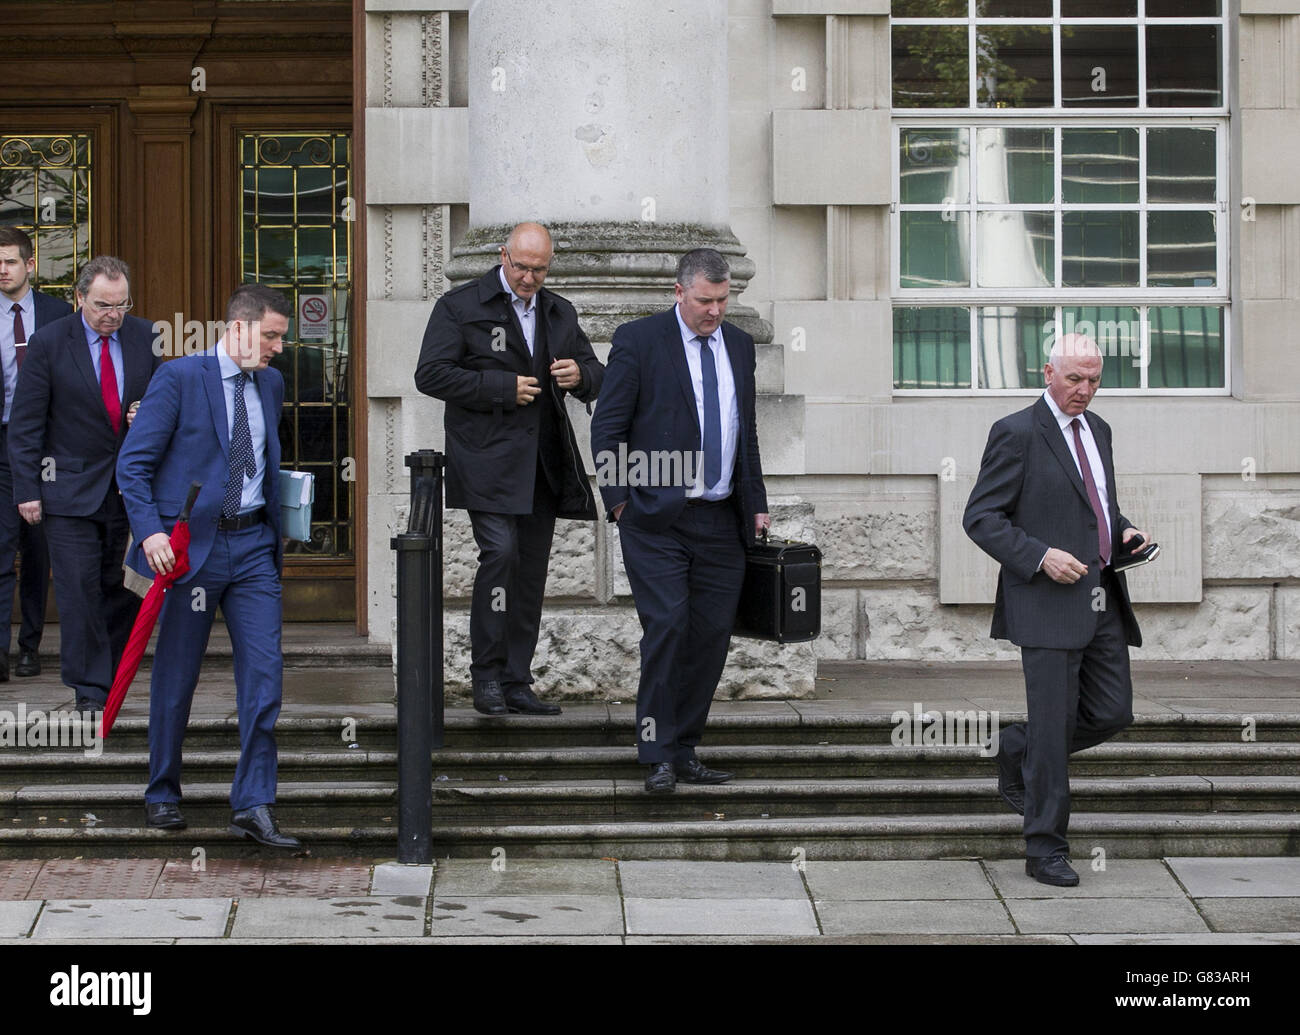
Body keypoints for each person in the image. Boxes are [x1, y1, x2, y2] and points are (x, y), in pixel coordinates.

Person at [117, 283, 300, 847]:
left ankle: (253, 803)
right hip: (189, 551)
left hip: (252, 550)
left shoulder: (270, 382)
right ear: (238, 329)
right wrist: (149, 533)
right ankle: (163, 792)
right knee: (176, 677)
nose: (276, 348)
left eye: (281, 339)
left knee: (265, 676)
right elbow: (133, 466)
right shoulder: (179, 378)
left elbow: (263, 462)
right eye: (270, 336)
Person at [963, 333, 1148, 887]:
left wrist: (1126, 531)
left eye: (1094, 380)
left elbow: (1098, 508)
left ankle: (1015, 746)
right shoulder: (1016, 432)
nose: (1085, 391)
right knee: (1053, 726)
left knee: (1112, 712)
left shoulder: (1100, 430)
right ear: (1048, 372)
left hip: (1102, 599)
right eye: (1075, 379)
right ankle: (1045, 849)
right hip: (1045, 602)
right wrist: (1039, 556)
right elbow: (982, 517)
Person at [591, 248, 770, 794]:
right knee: (667, 627)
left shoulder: (739, 346)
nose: (715, 311)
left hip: (722, 520)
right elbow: (608, 427)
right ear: (679, 292)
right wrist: (620, 503)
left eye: (723, 300)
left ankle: (686, 747)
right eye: (705, 301)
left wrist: (756, 501)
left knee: (711, 636)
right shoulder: (639, 340)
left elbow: (747, 432)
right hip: (656, 521)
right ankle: (656, 753)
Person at [415, 222, 604, 716]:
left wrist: (581, 375)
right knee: (500, 557)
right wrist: (500, 388)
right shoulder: (460, 305)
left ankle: (517, 680)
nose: (529, 278)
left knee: (530, 573)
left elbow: (597, 373)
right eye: (521, 266)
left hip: (542, 463)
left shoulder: (559, 310)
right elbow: (430, 374)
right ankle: (487, 678)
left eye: (539, 269)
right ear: (503, 256)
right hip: (486, 463)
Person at [8, 255, 160, 712]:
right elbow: (26, 423)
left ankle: (109, 677)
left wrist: (145, 413)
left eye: (121, 304)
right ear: (79, 299)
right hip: (68, 492)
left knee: (122, 588)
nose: (113, 314)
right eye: (102, 306)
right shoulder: (49, 342)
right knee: (77, 590)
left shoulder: (145, 335)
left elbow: (164, 402)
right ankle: (89, 689)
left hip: (128, 490)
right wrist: (27, 489)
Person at [0, 227, 68, 681]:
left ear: (29, 264)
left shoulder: (59, 314)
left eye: (9, 261)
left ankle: (30, 647)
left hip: (49, 449)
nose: (1, 269)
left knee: (37, 551)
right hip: (2, 446)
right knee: (2, 550)